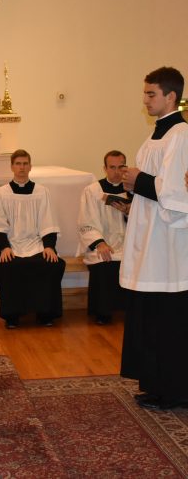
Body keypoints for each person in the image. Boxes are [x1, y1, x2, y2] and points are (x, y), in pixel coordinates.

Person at [120, 66, 188, 410]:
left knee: (169, 321)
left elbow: (176, 193)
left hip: (169, 245)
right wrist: (133, 189)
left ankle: (175, 391)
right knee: (150, 318)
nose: (145, 100)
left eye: (151, 94)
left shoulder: (180, 135)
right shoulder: (155, 136)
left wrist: (138, 180)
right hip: (150, 237)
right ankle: (156, 384)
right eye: (145, 93)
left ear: (170, 96)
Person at [0, 149, 66, 328]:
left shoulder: (41, 192)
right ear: (12, 167)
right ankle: (12, 316)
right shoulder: (1, 193)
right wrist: (3, 248)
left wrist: (49, 246)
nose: (21, 167)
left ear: (30, 166)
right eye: (18, 164)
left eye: (25, 164)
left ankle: (45, 314)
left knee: (50, 264)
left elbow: (48, 221)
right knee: (7, 267)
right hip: (11, 245)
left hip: (36, 244)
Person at [77, 150, 130, 325]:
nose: (116, 171)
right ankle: (103, 312)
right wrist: (99, 243)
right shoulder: (93, 191)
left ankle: (132, 310)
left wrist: (129, 213)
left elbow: (146, 223)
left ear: (125, 167)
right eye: (112, 167)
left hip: (129, 245)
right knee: (104, 259)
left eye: (120, 167)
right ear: (104, 168)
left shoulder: (134, 191)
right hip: (103, 243)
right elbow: (86, 221)